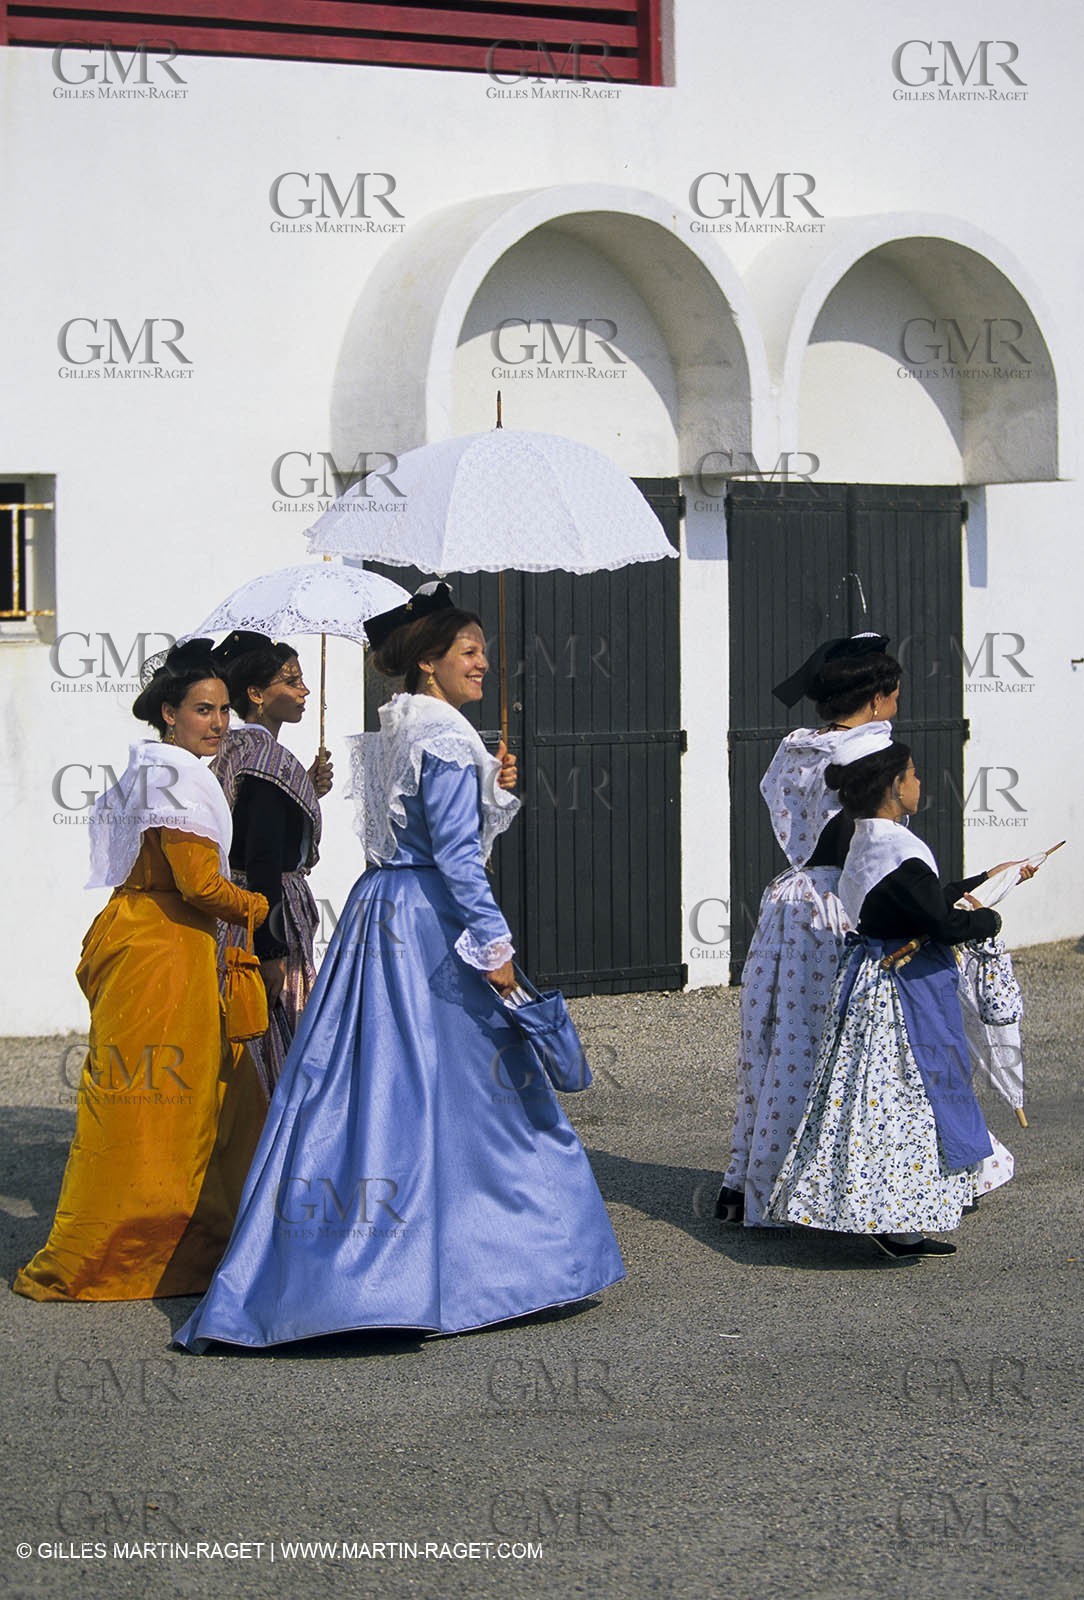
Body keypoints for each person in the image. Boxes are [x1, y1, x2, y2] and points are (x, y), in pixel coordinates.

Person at [174, 584, 625, 1350]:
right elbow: (454, 859)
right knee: (473, 1097)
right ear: (428, 662)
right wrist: (498, 952)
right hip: (428, 926)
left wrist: (492, 788)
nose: (484, 663)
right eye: (470, 652)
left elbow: (422, 831)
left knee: (364, 1090)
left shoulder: (399, 728)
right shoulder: (446, 736)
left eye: (484, 650)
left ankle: (337, 1268)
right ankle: (498, 1265)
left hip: (379, 911)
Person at [14, 642, 269, 1301]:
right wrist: (254, 903)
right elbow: (197, 884)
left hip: (143, 940)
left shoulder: (153, 770)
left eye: (224, 711)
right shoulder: (176, 777)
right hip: (163, 951)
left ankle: (173, 1246)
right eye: (202, 710)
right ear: (169, 712)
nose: (218, 722)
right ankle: (141, 1254)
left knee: (164, 1101)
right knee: (166, 1107)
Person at [766, 732, 1029, 1259]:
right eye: (912, 775)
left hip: (869, 979)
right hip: (903, 993)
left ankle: (896, 1217)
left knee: (877, 1098)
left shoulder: (866, 840)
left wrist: (987, 878)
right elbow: (939, 920)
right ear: (893, 785)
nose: (919, 782)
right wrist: (990, 917)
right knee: (908, 1098)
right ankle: (893, 1218)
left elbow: (914, 901)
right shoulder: (902, 848)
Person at [715, 634, 901, 1227]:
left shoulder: (797, 750)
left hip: (790, 901)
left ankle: (749, 1181)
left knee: (776, 1043)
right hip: (838, 905)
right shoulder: (871, 751)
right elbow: (870, 842)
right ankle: (832, 1187)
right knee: (843, 1046)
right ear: (876, 698)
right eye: (893, 691)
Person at [209, 630, 332, 1099]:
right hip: (267, 913)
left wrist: (304, 786)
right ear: (256, 695)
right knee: (280, 1034)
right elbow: (261, 859)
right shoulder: (266, 765)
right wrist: (272, 951)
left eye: (301, 680)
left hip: (236, 909)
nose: (303, 691)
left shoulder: (240, 752)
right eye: (291, 681)